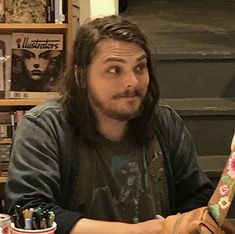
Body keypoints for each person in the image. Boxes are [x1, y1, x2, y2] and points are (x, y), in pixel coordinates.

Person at [5, 15, 214, 234]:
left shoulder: (165, 123)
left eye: (140, 68)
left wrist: (189, 224)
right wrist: (136, 232)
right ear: (81, 76)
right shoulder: (44, 127)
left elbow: (198, 196)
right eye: (115, 69)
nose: (132, 81)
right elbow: (30, 210)